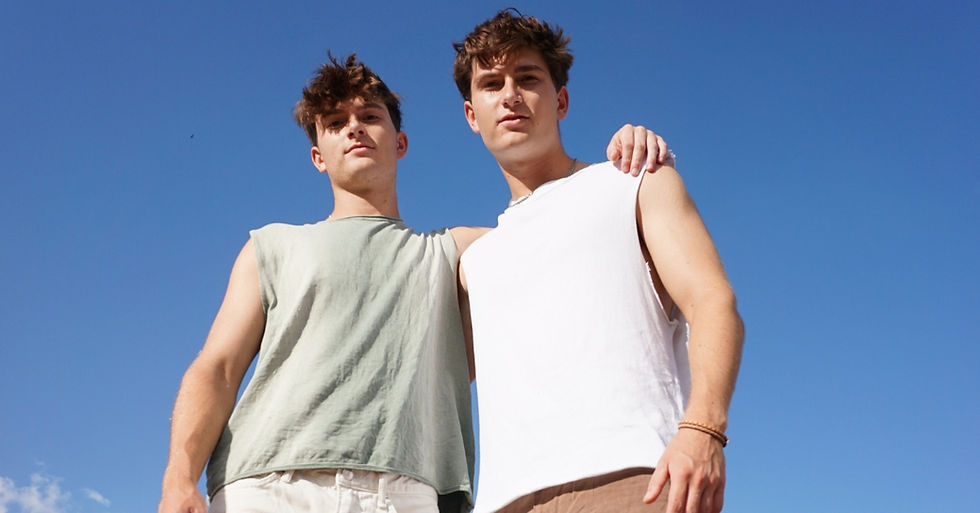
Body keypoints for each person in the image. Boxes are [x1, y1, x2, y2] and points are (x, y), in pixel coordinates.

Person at [157, 53, 669, 513]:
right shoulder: (271, 246)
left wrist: (624, 155)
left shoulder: (457, 251)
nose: (354, 129)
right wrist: (179, 480)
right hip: (269, 486)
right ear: (318, 155)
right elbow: (218, 368)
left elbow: (562, 226)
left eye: (370, 117)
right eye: (335, 123)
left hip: (406, 493)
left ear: (399, 142)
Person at [454, 10, 745, 513]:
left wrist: (703, 431)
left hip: (637, 480)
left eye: (527, 78)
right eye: (491, 83)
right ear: (471, 114)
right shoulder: (473, 258)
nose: (510, 96)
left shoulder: (635, 181)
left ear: (560, 99)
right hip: (505, 501)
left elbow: (713, 300)